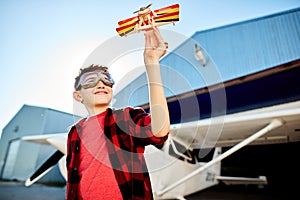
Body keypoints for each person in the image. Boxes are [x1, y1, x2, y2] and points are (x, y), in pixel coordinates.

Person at [66, 27, 170, 200]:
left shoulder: (125, 118)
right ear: (78, 96)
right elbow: (73, 180)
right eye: (90, 80)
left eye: (107, 80)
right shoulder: (74, 132)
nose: (101, 84)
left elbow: (158, 131)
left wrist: (152, 64)